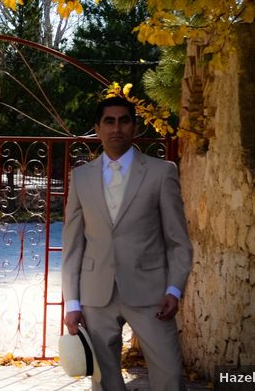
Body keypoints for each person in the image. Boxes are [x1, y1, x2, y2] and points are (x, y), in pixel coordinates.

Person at [62, 96, 193, 391]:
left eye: (124, 120)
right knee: (105, 381)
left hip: (151, 294)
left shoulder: (162, 172)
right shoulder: (80, 177)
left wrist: (174, 288)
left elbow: (178, 240)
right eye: (109, 121)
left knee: (169, 375)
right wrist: (72, 302)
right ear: (97, 128)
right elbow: (72, 245)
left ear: (134, 126)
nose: (116, 128)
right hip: (96, 296)